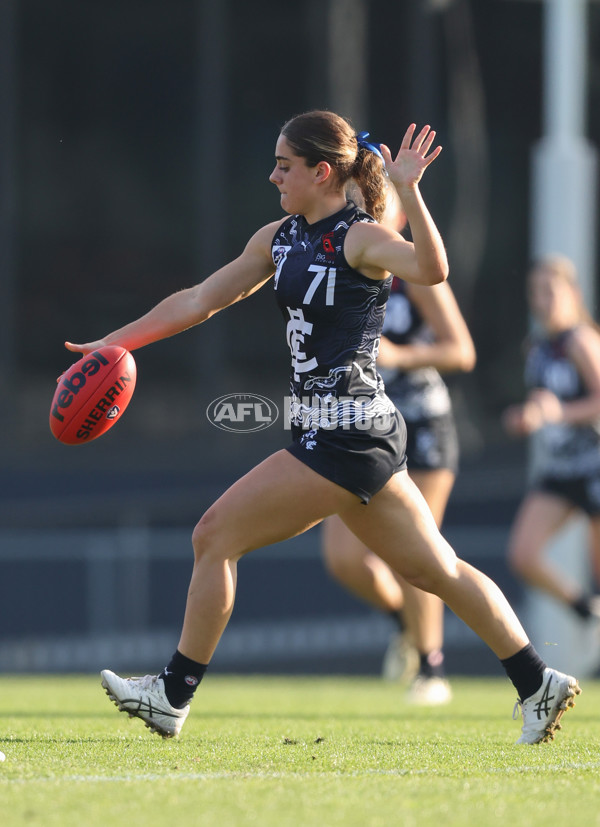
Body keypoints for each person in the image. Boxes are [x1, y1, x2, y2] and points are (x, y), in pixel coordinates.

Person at [65, 111, 580, 745]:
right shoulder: (278, 238)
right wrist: (113, 346)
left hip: (346, 432)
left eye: (285, 164)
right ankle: (538, 681)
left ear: (322, 171)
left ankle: (171, 695)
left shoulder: (359, 237)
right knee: (437, 571)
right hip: (351, 434)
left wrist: (410, 189)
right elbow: (199, 299)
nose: (273, 174)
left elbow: (432, 269)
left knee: (214, 534)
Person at [322, 190, 476, 705]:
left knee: (417, 553)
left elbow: (461, 350)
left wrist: (401, 355)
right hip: (359, 427)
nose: (363, 213)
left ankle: (431, 669)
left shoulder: (411, 267)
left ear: (401, 214)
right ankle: (406, 629)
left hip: (421, 423)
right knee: (344, 558)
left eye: (375, 203)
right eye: (355, 202)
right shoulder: (338, 256)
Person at [503, 254, 600, 623]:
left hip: (594, 465)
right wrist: (526, 417)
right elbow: (544, 405)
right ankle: (586, 610)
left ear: (573, 294)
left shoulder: (581, 340)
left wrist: (558, 412)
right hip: (560, 470)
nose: (542, 300)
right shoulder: (539, 347)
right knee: (523, 554)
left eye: (550, 291)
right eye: (535, 292)